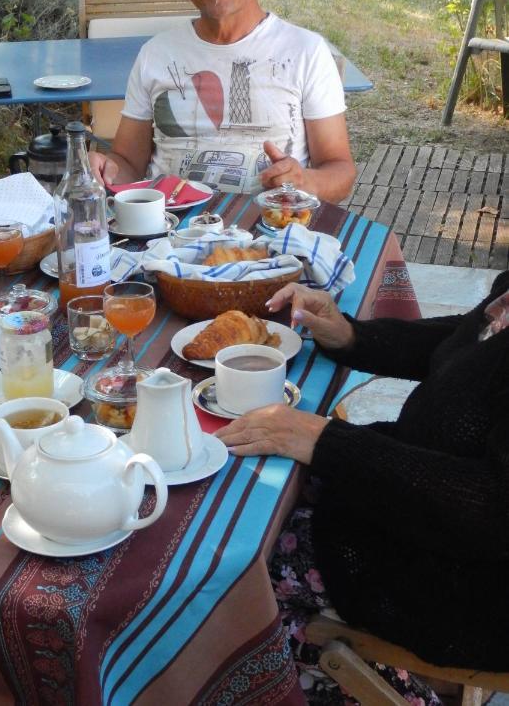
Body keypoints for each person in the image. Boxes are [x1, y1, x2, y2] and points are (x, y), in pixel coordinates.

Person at [216, 273, 509, 703]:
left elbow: (496, 510)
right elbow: (470, 344)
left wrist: (322, 439)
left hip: (472, 589)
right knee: (256, 495)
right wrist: (350, 334)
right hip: (415, 509)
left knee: (234, 574)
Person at [89, 0, 356, 203]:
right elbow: (128, 162)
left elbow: (340, 172)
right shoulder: (156, 54)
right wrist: (107, 170)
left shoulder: (305, 51)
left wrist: (305, 181)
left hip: (269, 230)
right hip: (167, 231)